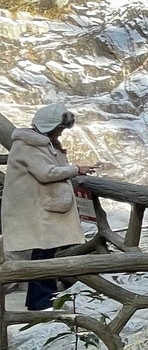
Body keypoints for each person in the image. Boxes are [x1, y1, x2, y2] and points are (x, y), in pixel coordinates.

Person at [1, 104, 95, 312]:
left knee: (45, 252)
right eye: (59, 129)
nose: (60, 133)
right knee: (43, 254)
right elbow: (46, 173)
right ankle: (41, 302)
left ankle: (43, 299)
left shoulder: (39, 144)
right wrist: (75, 169)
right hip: (35, 210)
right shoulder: (29, 146)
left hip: (40, 208)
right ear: (49, 127)